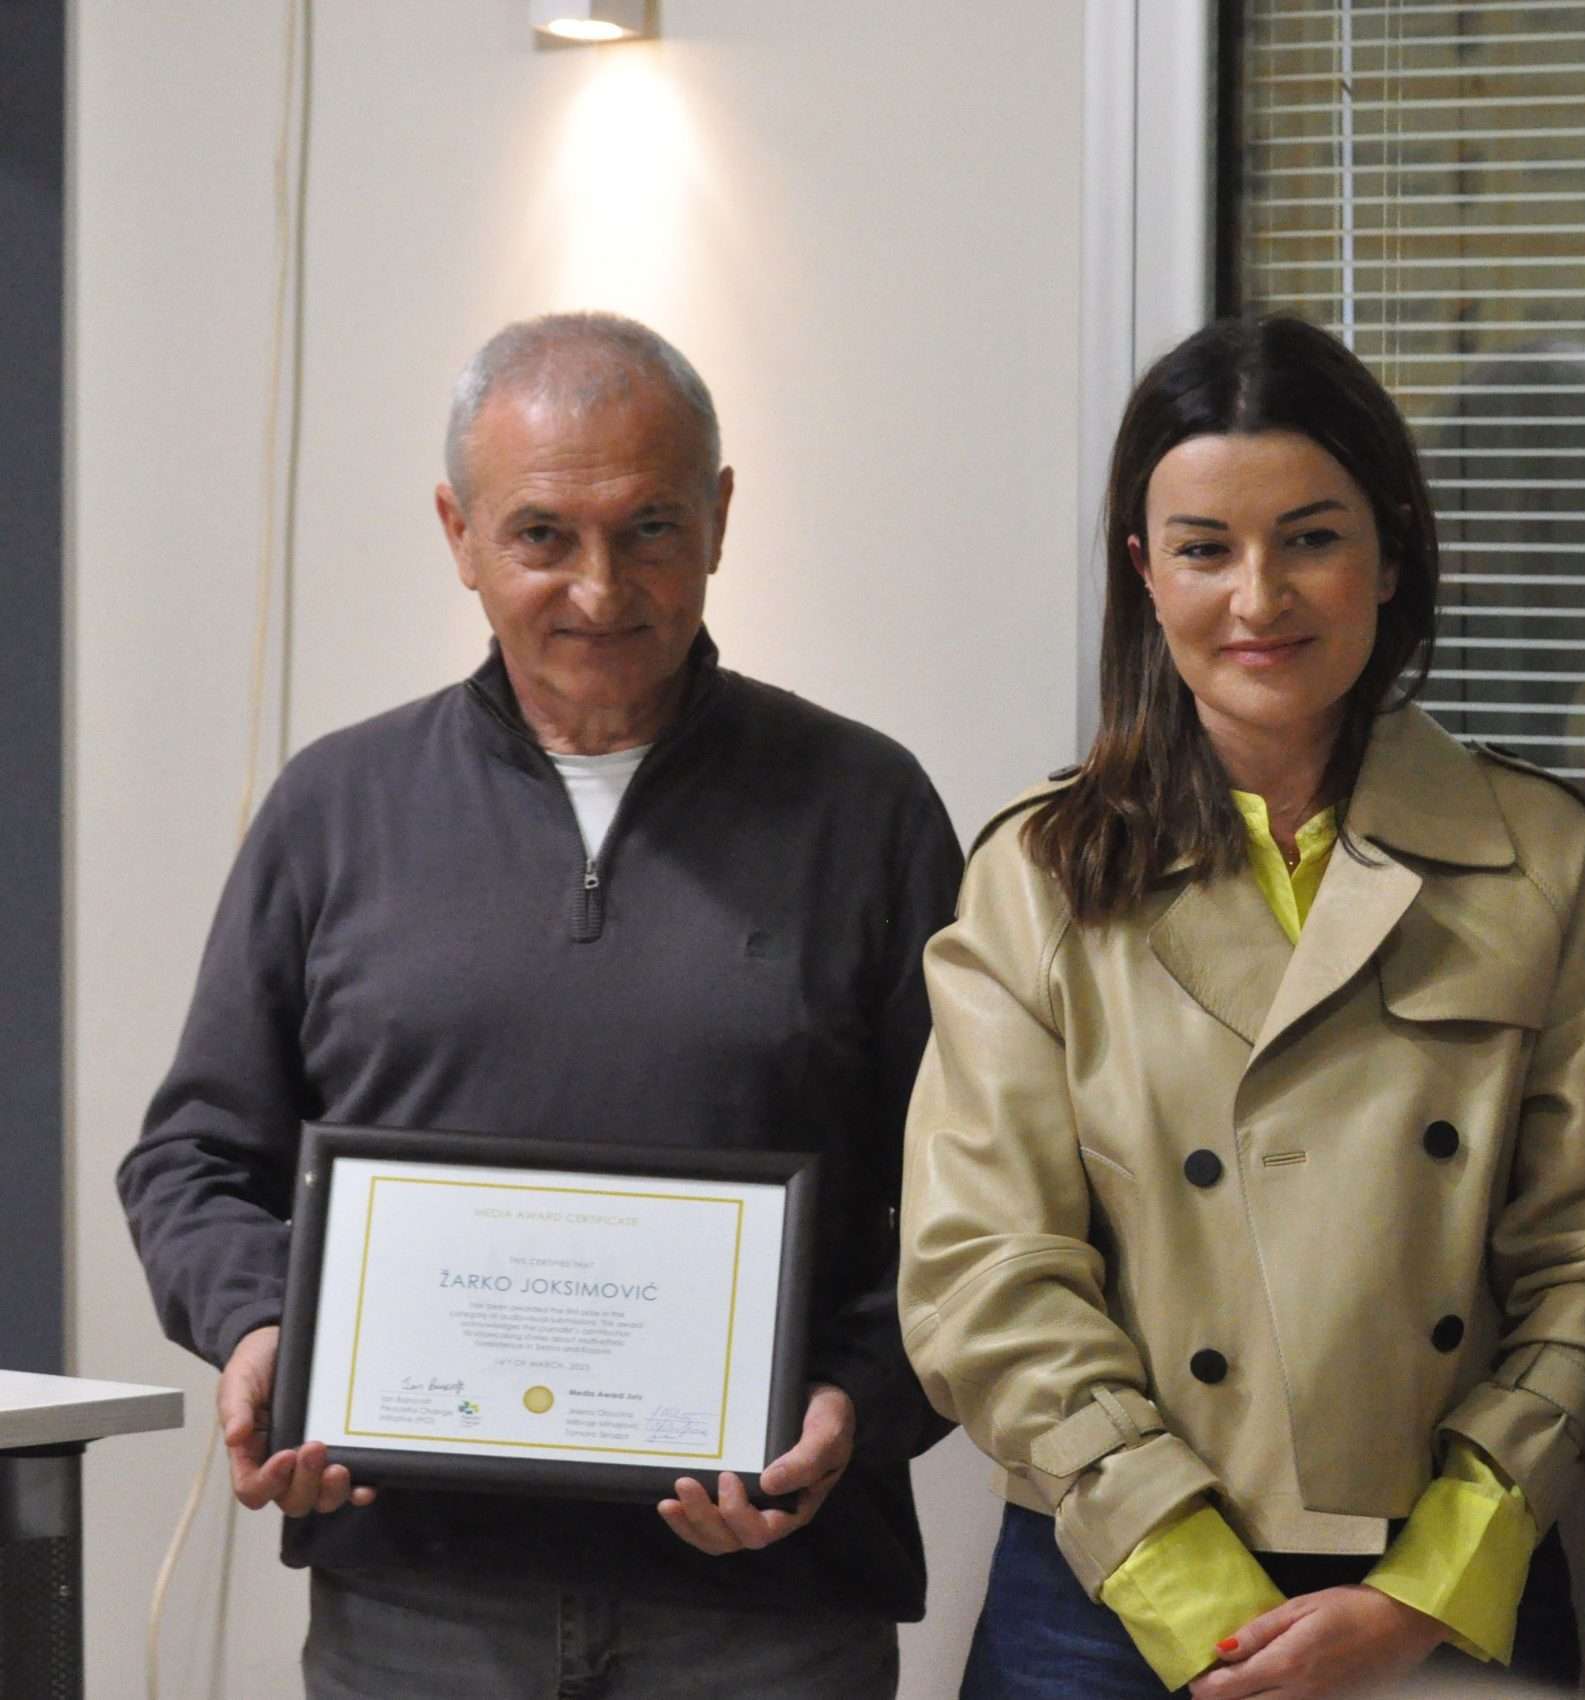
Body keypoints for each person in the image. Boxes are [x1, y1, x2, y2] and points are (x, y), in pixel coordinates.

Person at [116, 311, 962, 1699]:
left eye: (649, 528)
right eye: (540, 537)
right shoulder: (338, 809)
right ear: (458, 533)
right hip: (417, 1606)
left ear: (721, 517)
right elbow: (192, 1158)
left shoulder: (865, 808)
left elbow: (977, 1204)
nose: (598, 588)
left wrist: (852, 1409)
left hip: (768, 1613)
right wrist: (273, 1330)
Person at [899, 315, 1585, 1697]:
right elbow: (984, 1274)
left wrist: (1431, 1584)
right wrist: (1194, 1593)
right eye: (1204, 549)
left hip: (1443, 1582)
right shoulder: (1039, 875)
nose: (1260, 598)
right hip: (1111, 1589)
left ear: (1392, 549)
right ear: (1144, 571)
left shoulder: (1541, 860)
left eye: (1310, 537)